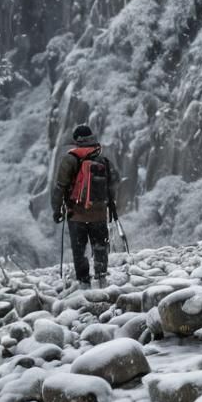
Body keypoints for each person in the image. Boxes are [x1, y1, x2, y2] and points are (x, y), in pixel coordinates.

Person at [51, 123, 120, 288]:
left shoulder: (70, 159)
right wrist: (110, 206)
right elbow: (114, 183)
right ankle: (102, 278)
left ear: (77, 141)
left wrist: (57, 209)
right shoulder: (102, 159)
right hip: (99, 213)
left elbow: (60, 187)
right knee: (100, 246)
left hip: (77, 214)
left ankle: (84, 283)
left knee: (79, 250)